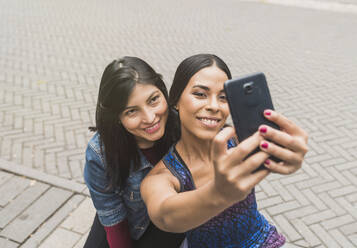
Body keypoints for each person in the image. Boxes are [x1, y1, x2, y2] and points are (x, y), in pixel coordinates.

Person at [141, 54, 309, 247]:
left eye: (223, 97)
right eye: (200, 94)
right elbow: (165, 216)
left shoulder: (241, 141)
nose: (214, 106)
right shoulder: (162, 176)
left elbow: (281, 151)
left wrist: (289, 153)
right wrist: (219, 193)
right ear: (176, 101)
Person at [83, 56, 185, 248]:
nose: (150, 118)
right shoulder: (100, 154)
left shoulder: (183, 128)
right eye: (132, 111)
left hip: (167, 223)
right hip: (123, 218)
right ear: (117, 118)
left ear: (163, 92)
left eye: (153, 100)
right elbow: (113, 216)